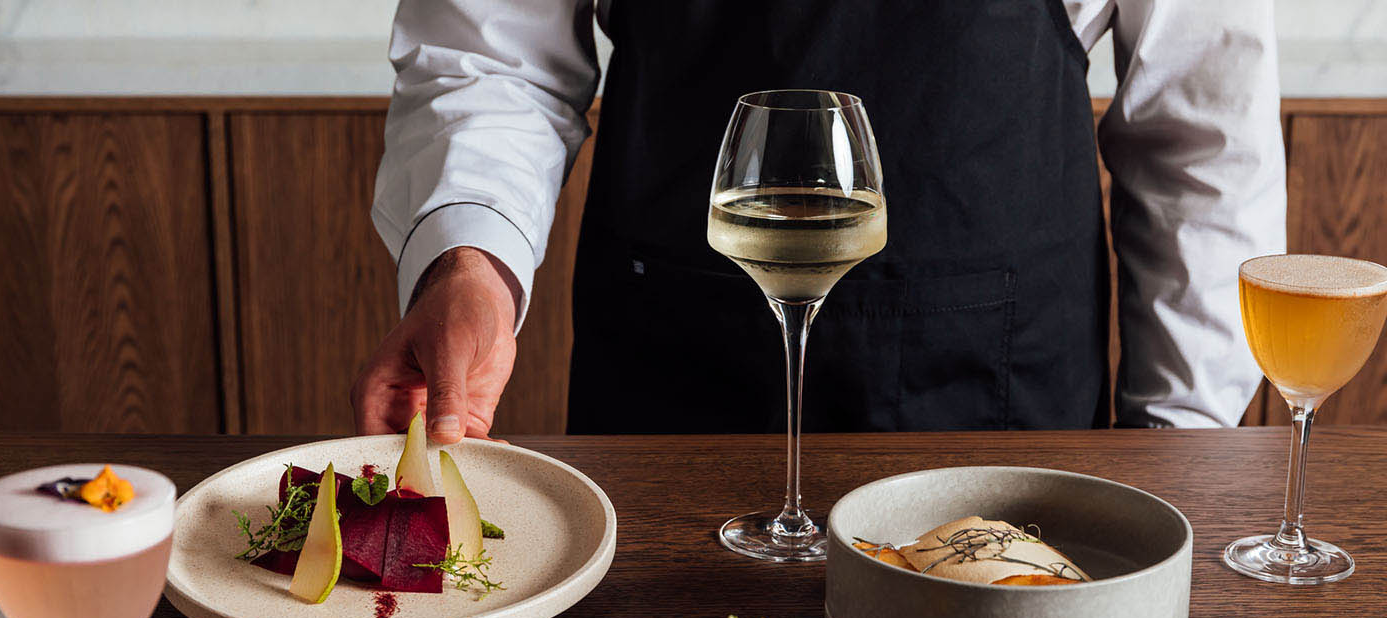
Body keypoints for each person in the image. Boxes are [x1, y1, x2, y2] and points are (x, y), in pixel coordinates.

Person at [354, 0, 1284, 442]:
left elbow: (1203, 135)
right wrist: (467, 267)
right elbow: (492, 58)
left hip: (1004, 404)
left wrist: (1181, 447)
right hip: (671, 397)